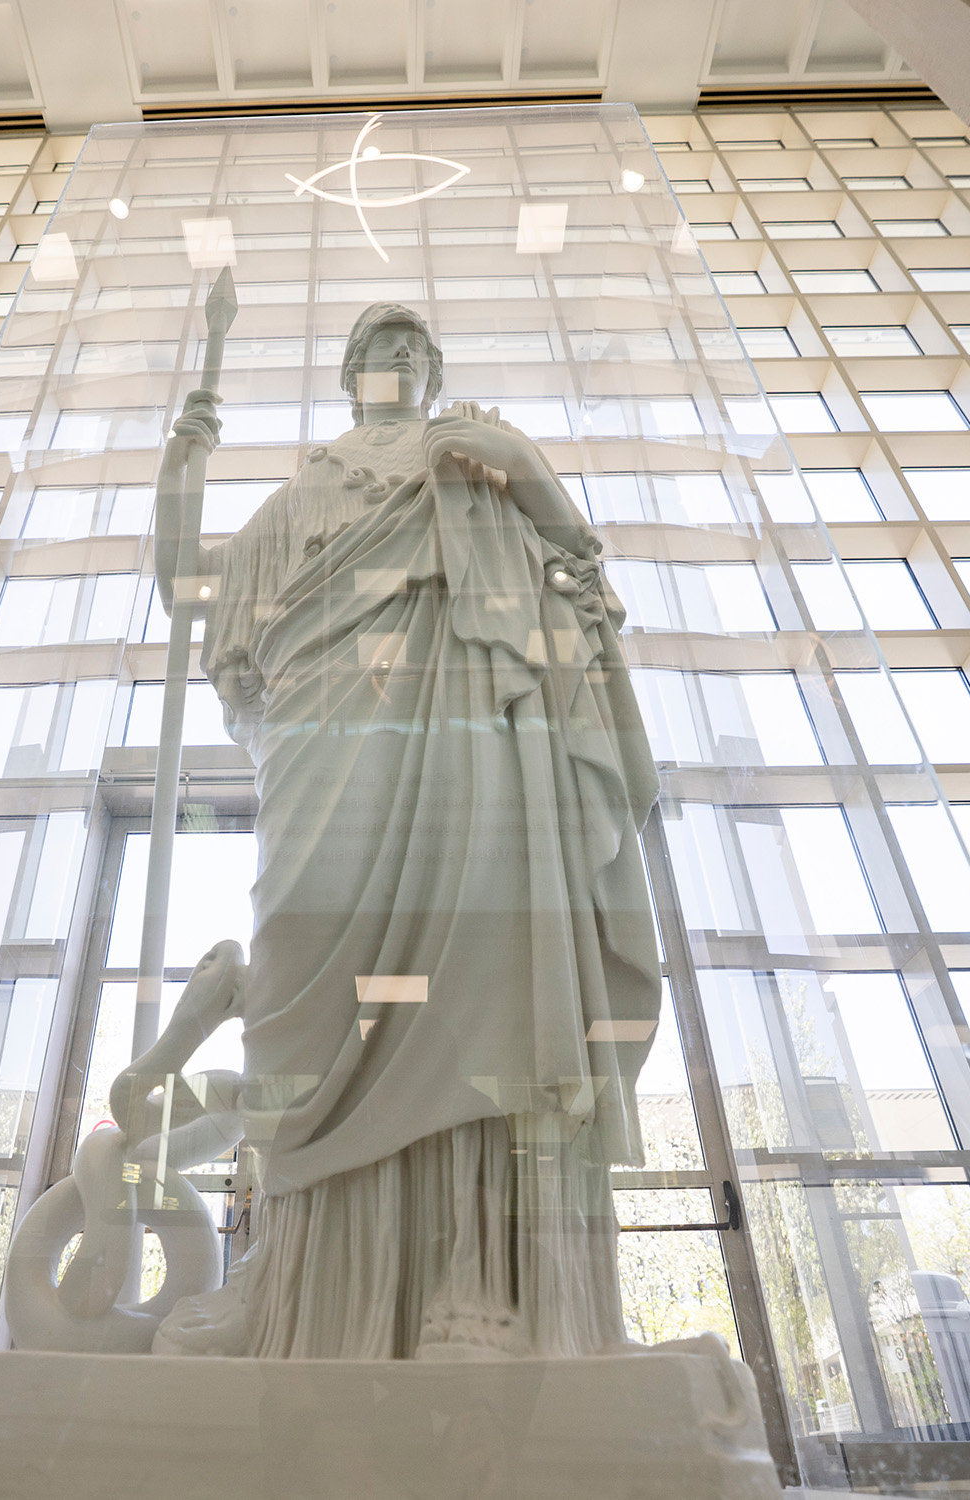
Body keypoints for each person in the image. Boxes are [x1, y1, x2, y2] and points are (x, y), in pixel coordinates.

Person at [146, 302, 662, 1360]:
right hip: (322, 719)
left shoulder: (471, 460)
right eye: (382, 349)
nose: (401, 361)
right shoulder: (307, 493)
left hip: (462, 711)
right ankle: (293, 1281)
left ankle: (481, 1288)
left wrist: (519, 466)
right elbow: (188, 585)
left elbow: (579, 577)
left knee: (484, 955)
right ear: (348, 374)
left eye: (416, 350)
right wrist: (186, 449)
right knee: (298, 953)